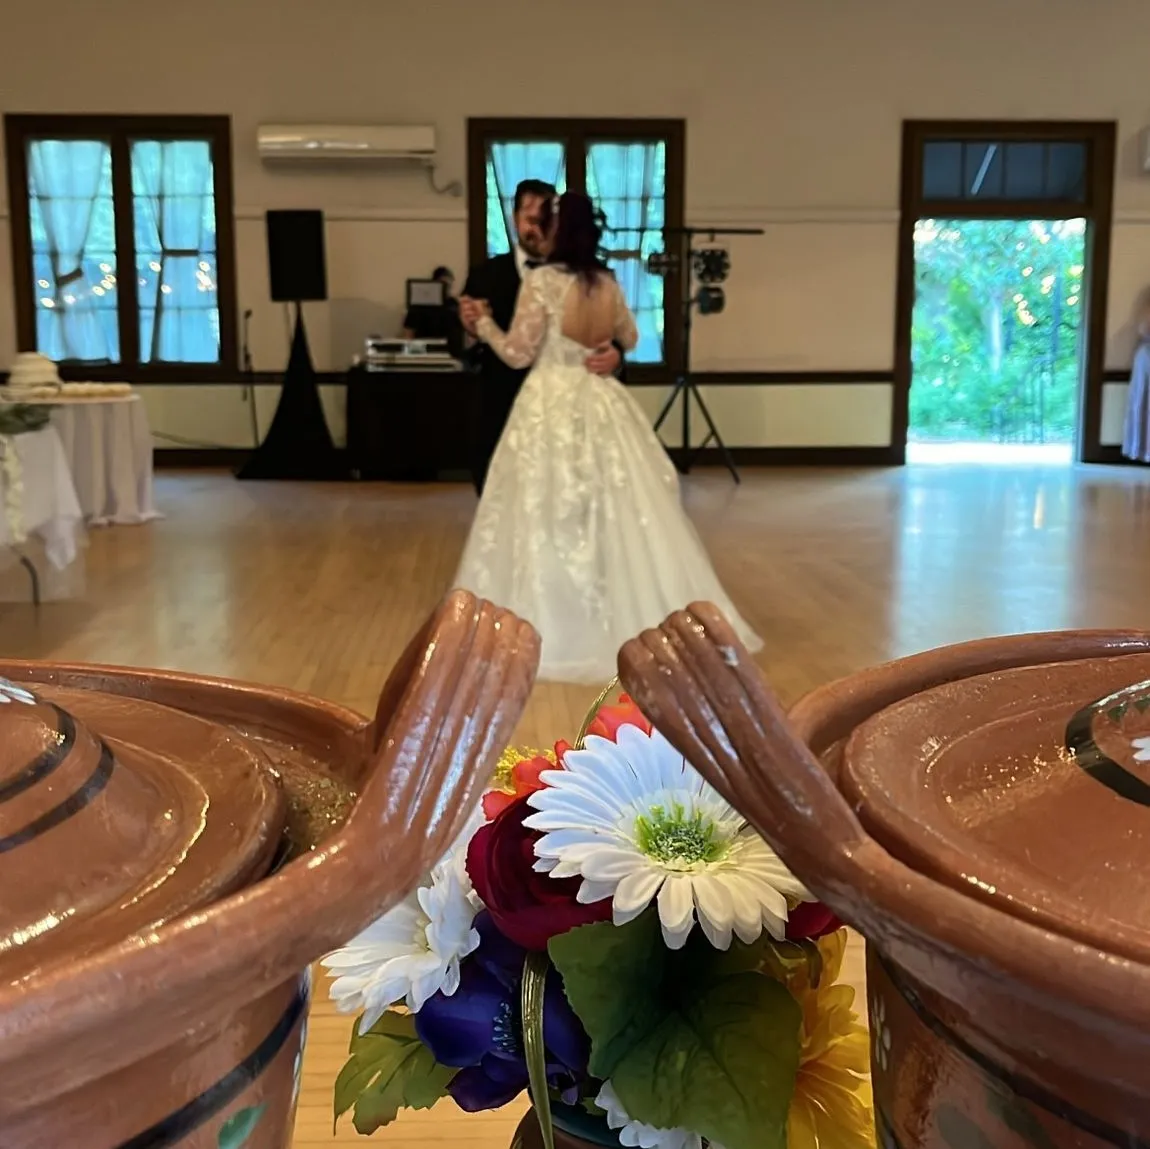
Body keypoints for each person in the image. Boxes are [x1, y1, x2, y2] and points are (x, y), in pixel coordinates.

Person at [454, 192, 762, 683]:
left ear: (556, 230)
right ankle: (618, 612)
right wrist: (607, 348)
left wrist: (485, 323)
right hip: (599, 399)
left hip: (549, 401)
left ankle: (555, 617)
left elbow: (516, 354)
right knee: (613, 512)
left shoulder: (542, 281)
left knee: (546, 514)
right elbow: (632, 337)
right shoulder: (608, 282)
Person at [461, 179, 622, 494]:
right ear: (515, 219)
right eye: (531, 220)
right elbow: (469, 342)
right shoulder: (485, 275)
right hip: (503, 404)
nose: (538, 229)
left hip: (575, 413)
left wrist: (616, 354)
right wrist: (471, 325)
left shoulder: (592, 275)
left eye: (545, 221)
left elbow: (616, 335)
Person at [402, 266, 460, 342]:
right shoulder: (419, 304)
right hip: (423, 347)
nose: (447, 288)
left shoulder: (454, 304)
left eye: (449, 285)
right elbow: (409, 332)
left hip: (448, 347)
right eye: (443, 285)